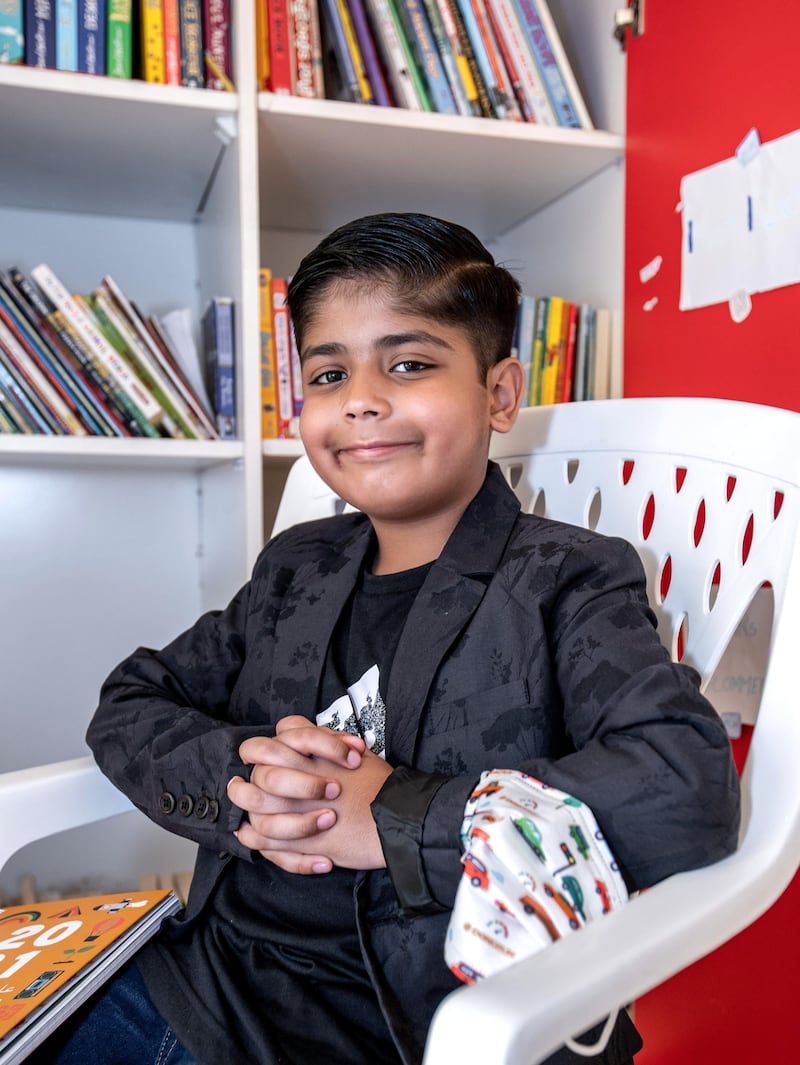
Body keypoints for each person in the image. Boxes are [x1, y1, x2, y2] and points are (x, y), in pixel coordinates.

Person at [36, 213, 740, 1065]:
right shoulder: (295, 566)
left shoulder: (569, 578)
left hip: (421, 1029)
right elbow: (132, 699)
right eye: (329, 373)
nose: (362, 396)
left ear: (500, 393)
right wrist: (249, 789)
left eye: (408, 363)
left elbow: (681, 783)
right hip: (211, 992)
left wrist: (396, 815)